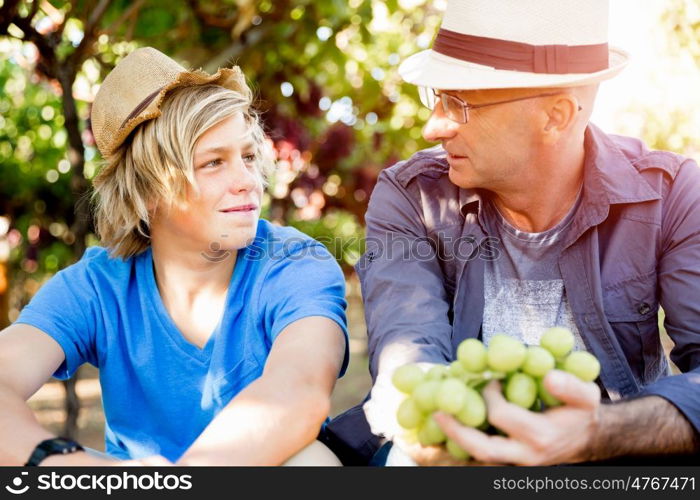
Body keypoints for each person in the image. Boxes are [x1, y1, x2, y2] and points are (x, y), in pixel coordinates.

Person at [342, 0, 700, 465]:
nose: (434, 126)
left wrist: (601, 433)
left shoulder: (670, 196)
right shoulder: (411, 198)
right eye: (438, 97)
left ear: (556, 116)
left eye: (460, 104)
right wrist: (439, 431)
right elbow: (409, 353)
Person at [0, 47, 348, 466]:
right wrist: (61, 462)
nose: (247, 182)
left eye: (249, 157)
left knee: (311, 461)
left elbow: (299, 393)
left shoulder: (295, 263)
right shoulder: (97, 286)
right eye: (213, 163)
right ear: (148, 191)